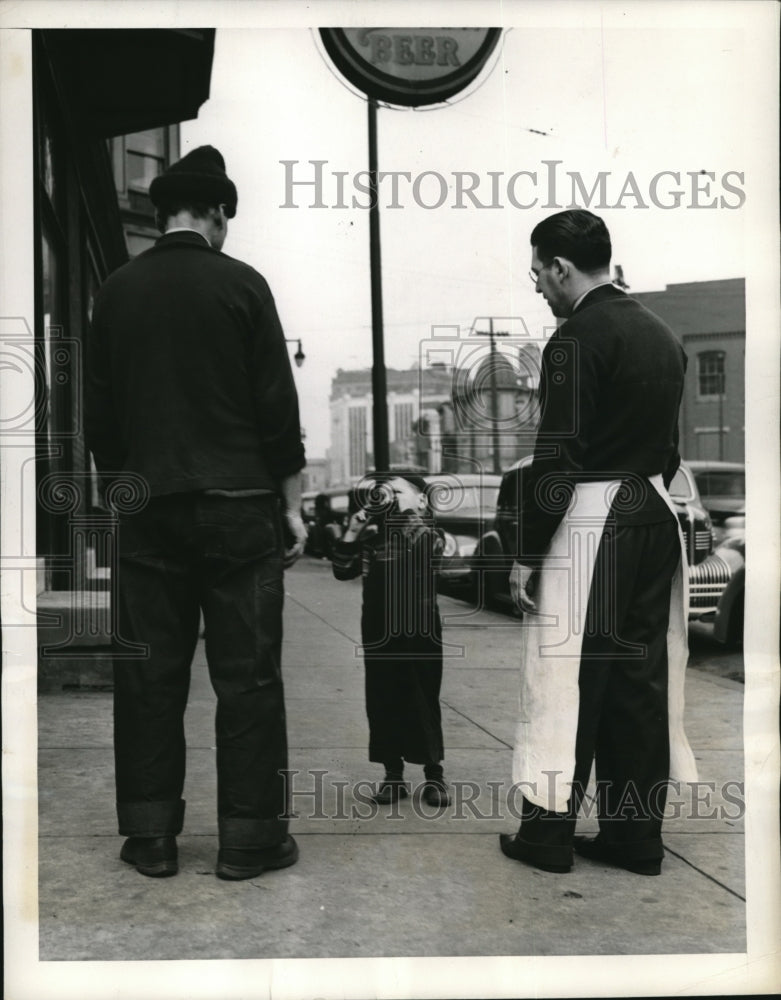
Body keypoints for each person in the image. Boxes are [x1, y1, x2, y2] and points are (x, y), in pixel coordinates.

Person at [85, 145, 308, 881]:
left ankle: (150, 838)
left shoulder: (115, 292)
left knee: (149, 677)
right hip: (239, 507)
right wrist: (292, 505)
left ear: (158, 216)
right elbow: (276, 409)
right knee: (248, 679)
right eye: (225, 219)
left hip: (148, 508)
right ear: (214, 214)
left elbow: (99, 418)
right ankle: (249, 840)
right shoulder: (244, 286)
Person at [500, 209, 697, 876]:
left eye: (537, 272)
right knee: (638, 679)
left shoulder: (573, 339)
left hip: (592, 517)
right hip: (651, 511)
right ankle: (634, 838)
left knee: (565, 674)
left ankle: (545, 837)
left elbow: (556, 457)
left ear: (560, 267)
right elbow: (668, 453)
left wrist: (525, 553)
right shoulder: (662, 336)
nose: (535, 286)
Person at [331, 474, 450, 807]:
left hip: (420, 630)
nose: (388, 498)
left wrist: (411, 513)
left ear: (421, 500)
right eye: (383, 492)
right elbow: (342, 570)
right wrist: (353, 530)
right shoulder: (373, 537)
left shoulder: (427, 532)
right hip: (379, 630)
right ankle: (392, 775)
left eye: (397, 492)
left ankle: (434, 775)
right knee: (382, 699)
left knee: (423, 696)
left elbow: (431, 552)